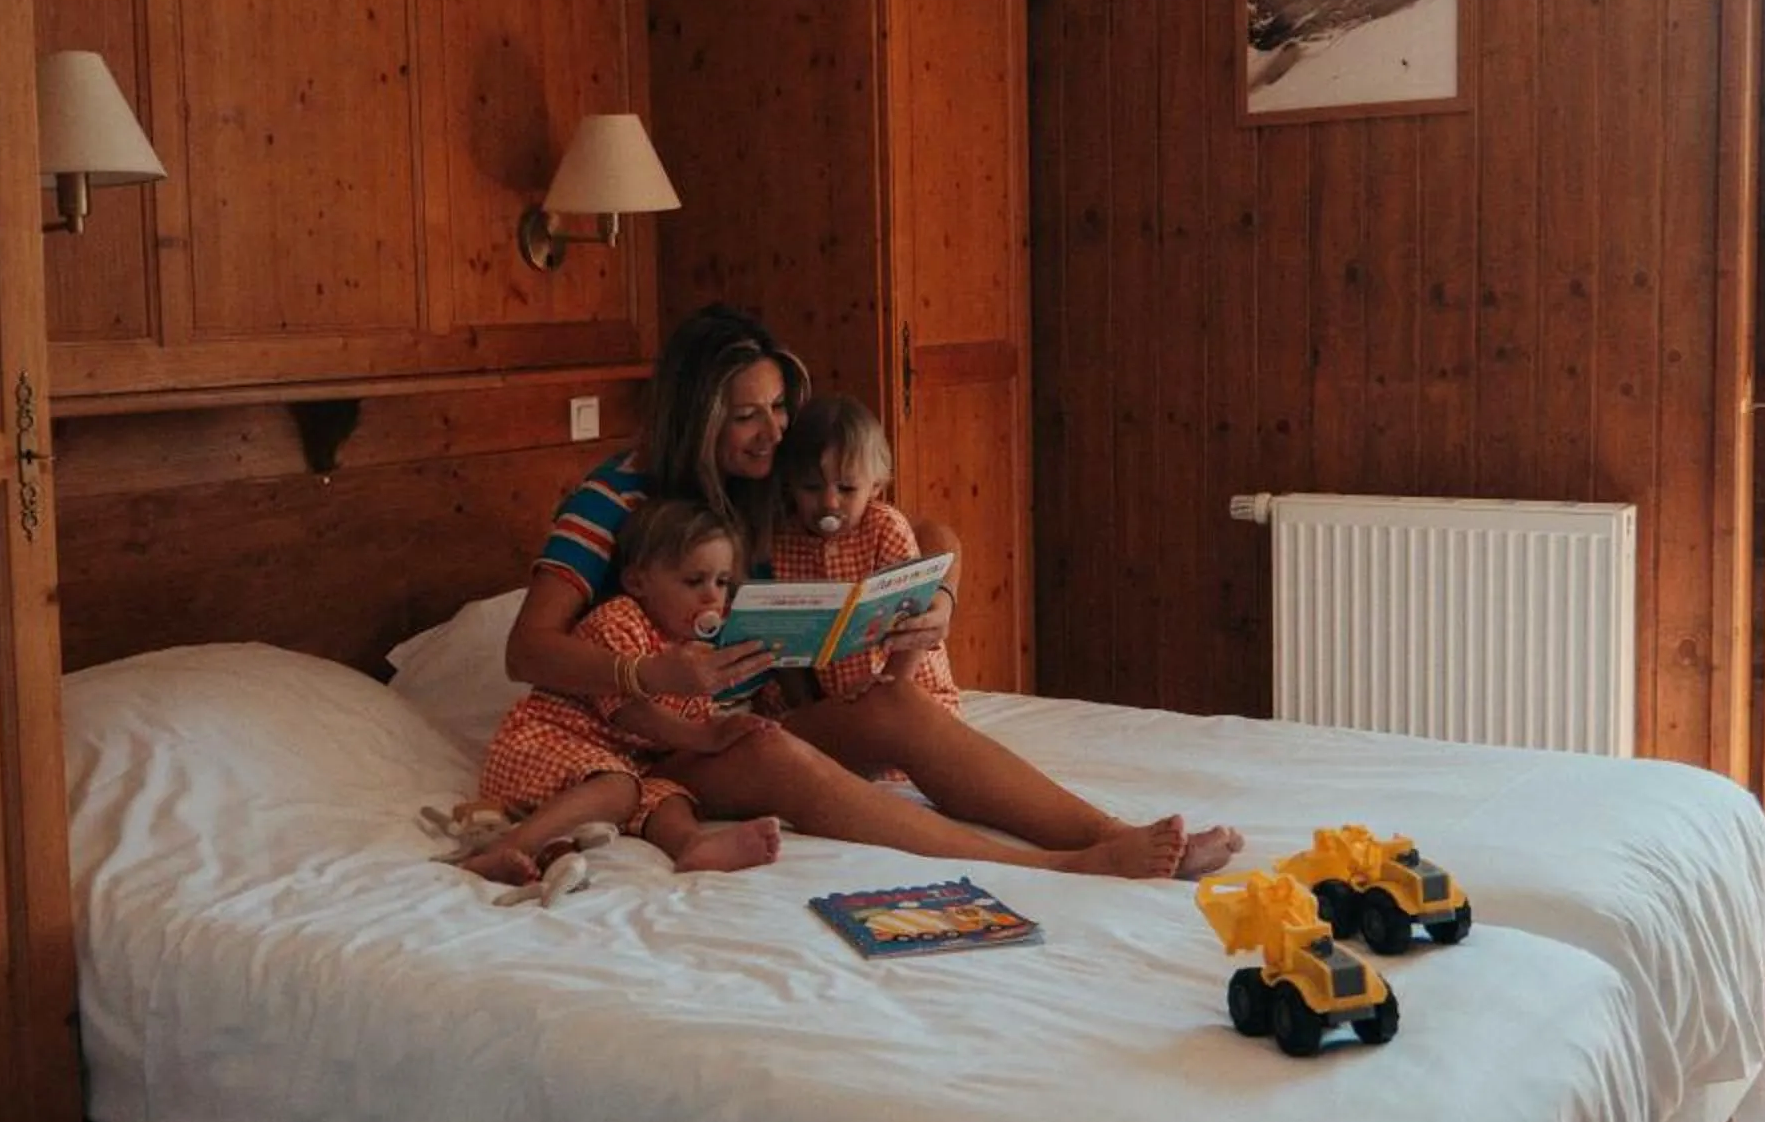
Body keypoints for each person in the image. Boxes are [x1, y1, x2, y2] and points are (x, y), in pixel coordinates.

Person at [506, 303, 1238, 880]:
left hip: (740, 717)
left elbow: (931, 530)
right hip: (645, 748)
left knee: (893, 702)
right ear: (696, 417)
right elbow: (526, 649)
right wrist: (648, 672)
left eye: (778, 407)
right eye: (747, 414)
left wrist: (939, 605)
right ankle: (1055, 868)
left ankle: (1109, 834)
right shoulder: (613, 500)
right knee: (777, 757)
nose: (774, 431)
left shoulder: (759, 487)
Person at [462, 499, 786, 887]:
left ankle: (692, 844)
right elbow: (630, 712)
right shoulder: (619, 621)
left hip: (620, 763)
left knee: (668, 795)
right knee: (621, 787)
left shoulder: (694, 654)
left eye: (722, 583)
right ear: (638, 582)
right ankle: (500, 850)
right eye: (693, 581)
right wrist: (705, 737)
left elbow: (677, 732)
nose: (711, 598)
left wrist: (736, 725)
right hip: (546, 743)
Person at [770, 393, 967, 713]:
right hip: (834, 701)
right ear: (790, 485)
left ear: (875, 486)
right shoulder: (783, 541)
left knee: (899, 744)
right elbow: (787, 641)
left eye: (846, 489)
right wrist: (809, 710)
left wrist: (889, 691)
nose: (830, 503)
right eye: (811, 488)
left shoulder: (885, 528)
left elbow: (914, 618)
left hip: (906, 687)